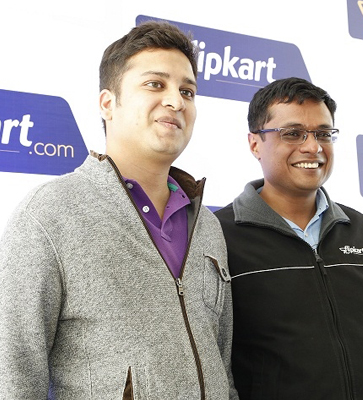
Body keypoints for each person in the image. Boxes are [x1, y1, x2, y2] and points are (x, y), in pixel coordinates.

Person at [0, 21, 238, 400]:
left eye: (187, 91)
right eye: (155, 84)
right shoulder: (48, 214)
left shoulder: (206, 223)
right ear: (108, 104)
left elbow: (221, 365)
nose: (176, 101)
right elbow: (12, 374)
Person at [215, 77, 363, 399]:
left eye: (323, 134)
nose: (313, 147)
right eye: (293, 133)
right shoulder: (218, 236)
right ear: (255, 143)